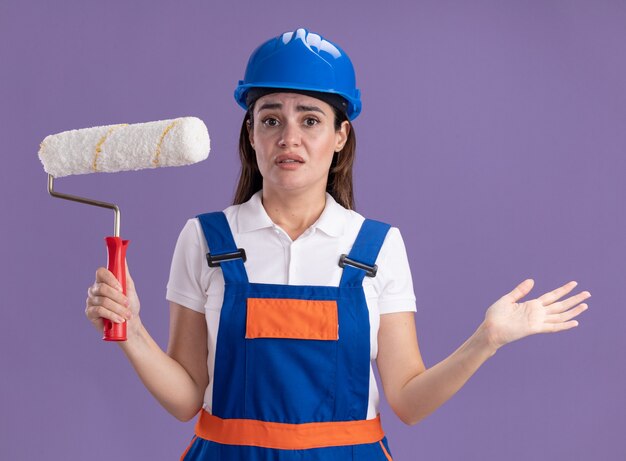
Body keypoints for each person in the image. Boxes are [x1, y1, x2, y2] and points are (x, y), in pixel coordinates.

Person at [85, 28, 591, 461]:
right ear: (251, 132)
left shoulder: (377, 246)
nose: (289, 137)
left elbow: (408, 401)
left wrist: (487, 339)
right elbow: (185, 398)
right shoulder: (206, 239)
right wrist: (130, 330)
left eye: (310, 119)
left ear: (340, 135)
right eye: (271, 119)